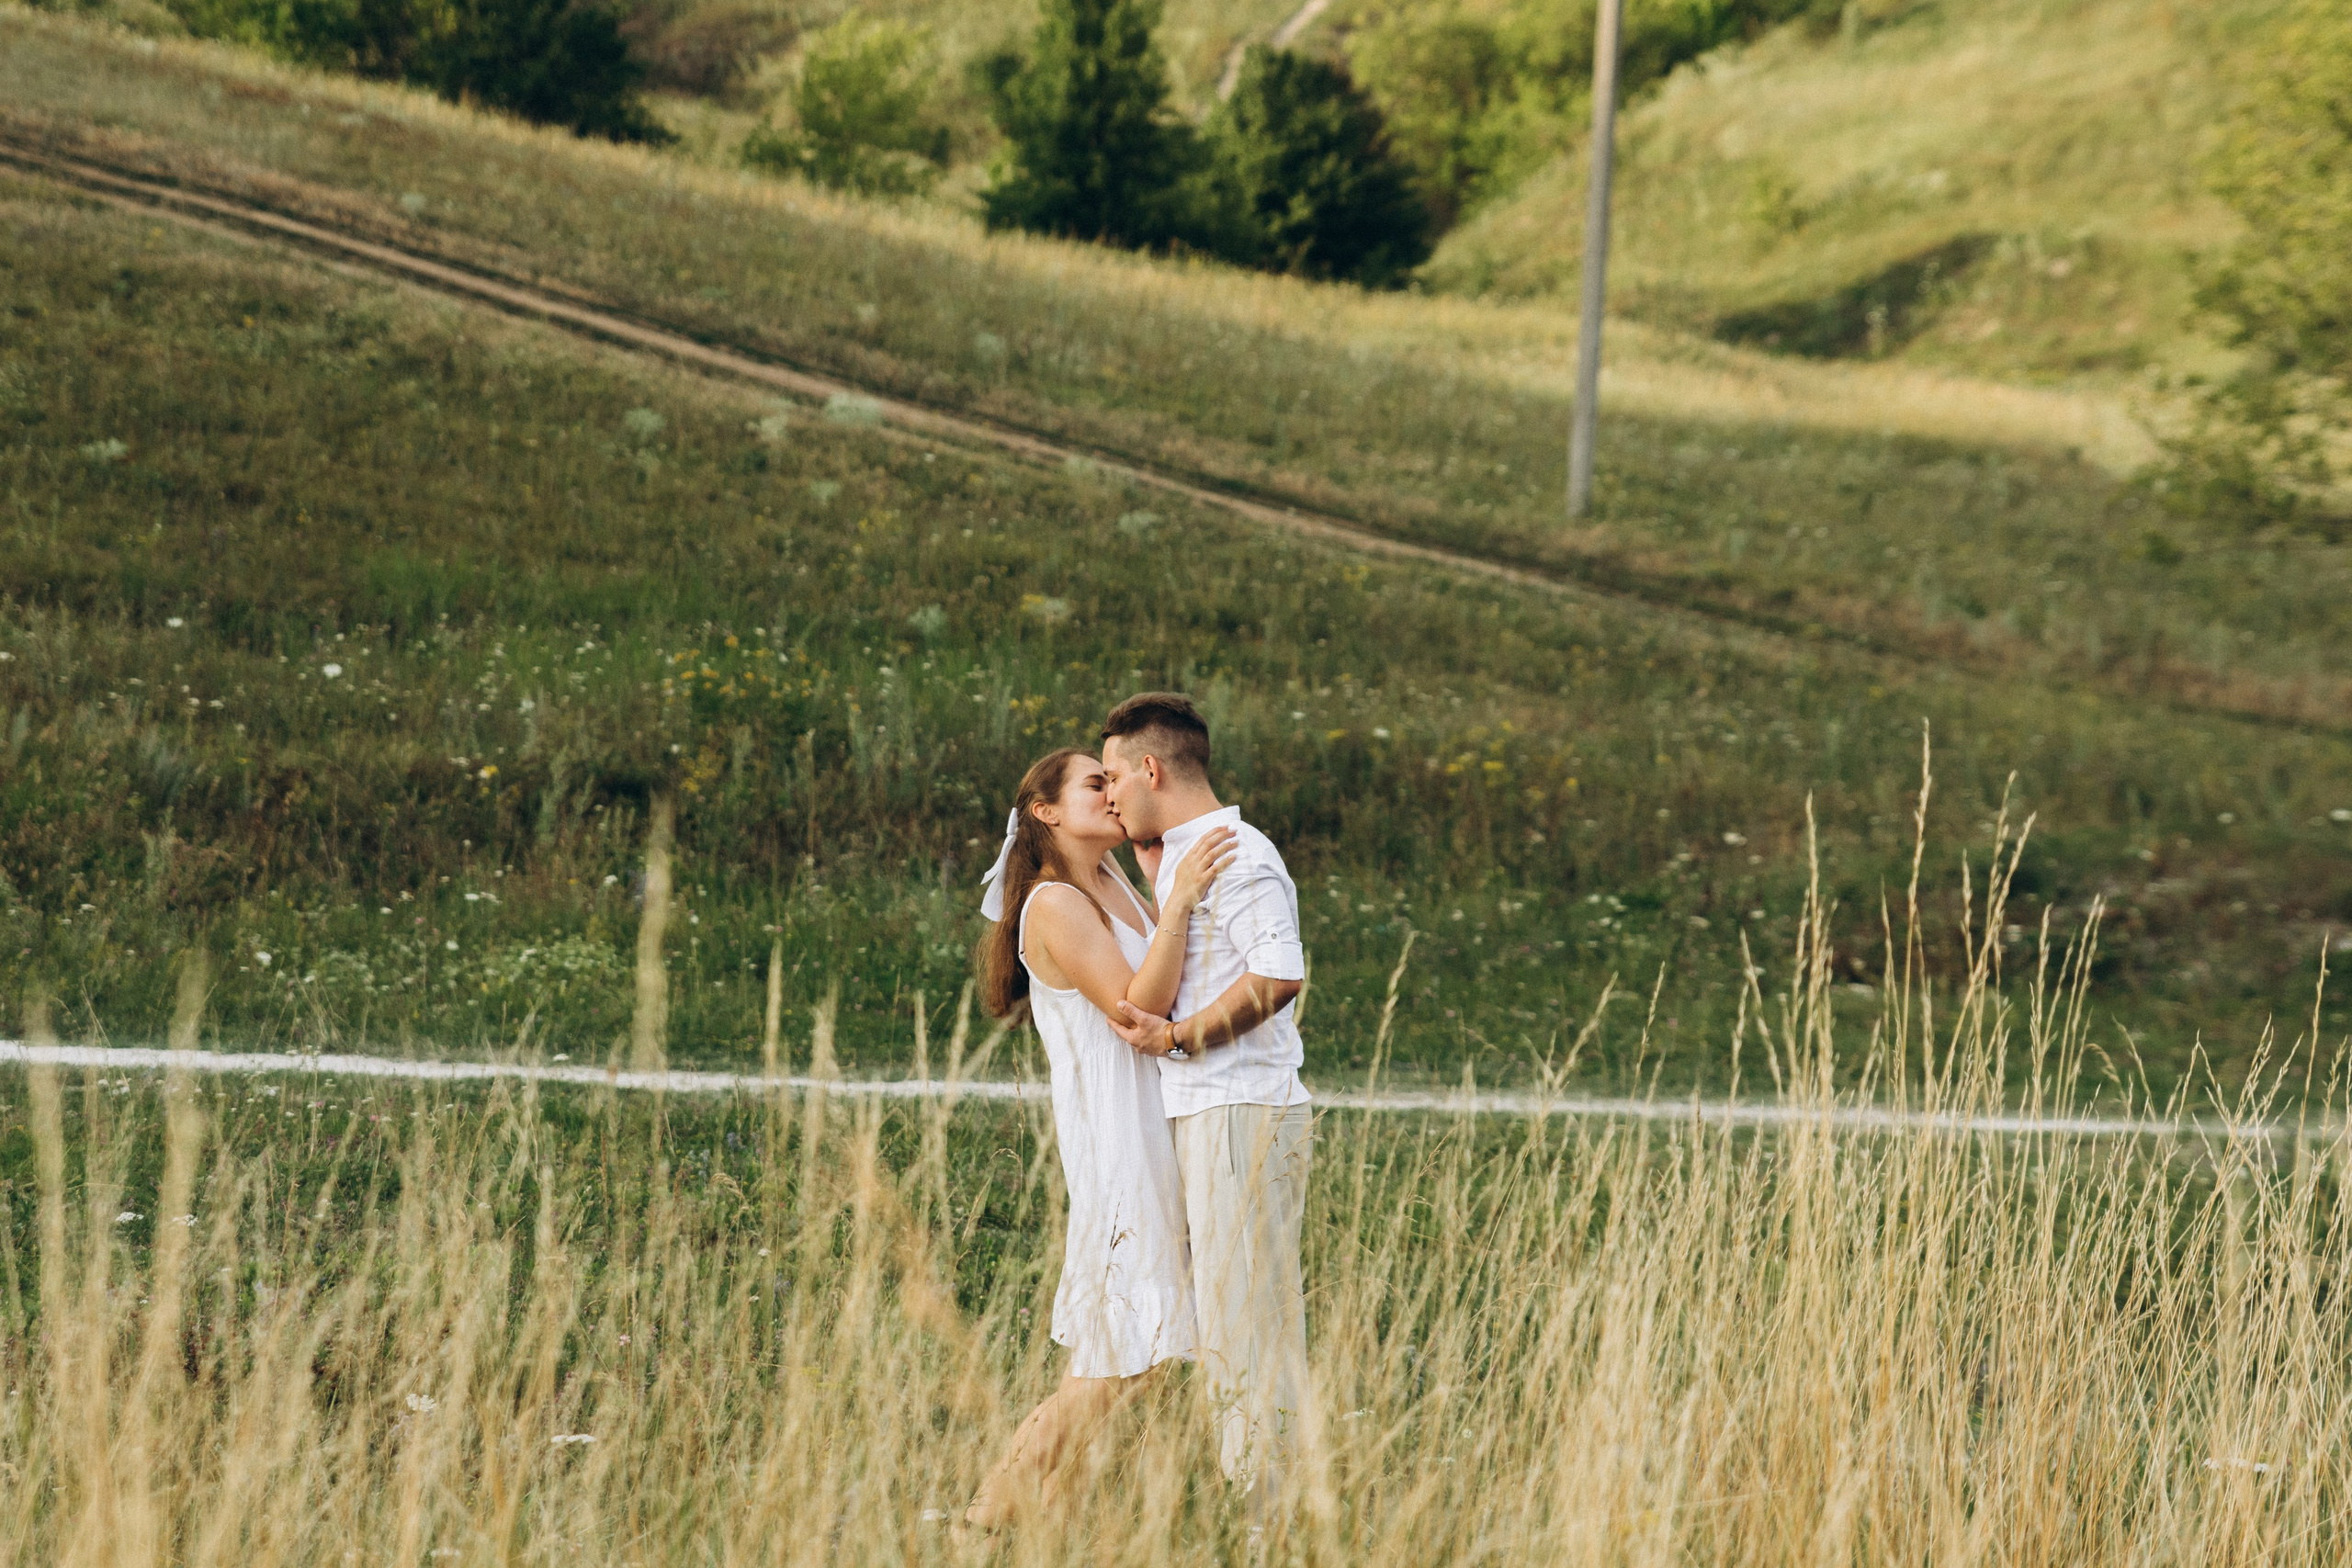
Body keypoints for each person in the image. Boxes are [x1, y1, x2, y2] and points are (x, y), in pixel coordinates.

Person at [965, 746, 1238, 1529]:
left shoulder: (1111, 879)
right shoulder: (1053, 903)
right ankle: (987, 1510)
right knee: (1138, 1348)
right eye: (1094, 784)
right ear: (1047, 811)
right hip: (1119, 1139)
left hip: (1157, 1117)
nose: (1112, 793)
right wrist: (1180, 902)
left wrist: (1163, 876)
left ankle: (1054, 1523)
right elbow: (1132, 1009)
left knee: (1113, 1347)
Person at [1096, 693, 1313, 1514]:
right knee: (1228, 1320)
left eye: (1115, 774)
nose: (1110, 793)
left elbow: (1280, 975)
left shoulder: (1239, 855)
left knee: (1245, 1325)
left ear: (1152, 767)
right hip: (1214, 1113)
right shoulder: (1184, 857)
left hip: (1240, 1110)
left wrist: (1181, 1036)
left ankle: (1272, 1520)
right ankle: (1261, 1506)